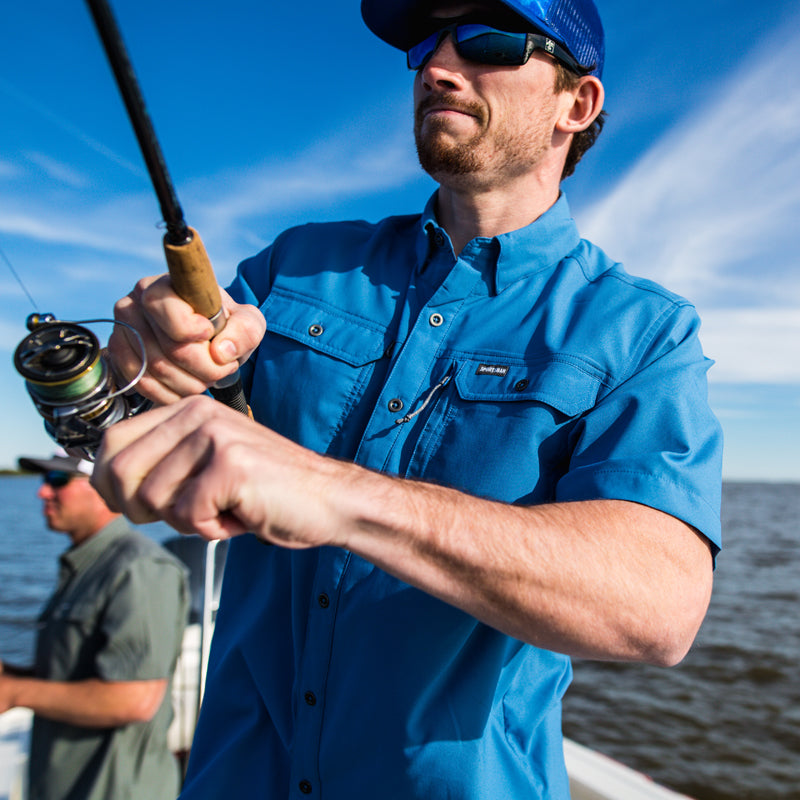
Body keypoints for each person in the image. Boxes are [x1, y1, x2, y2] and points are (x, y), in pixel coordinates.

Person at [92, 0, 723, 797]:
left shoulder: (643, 331)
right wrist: (142, 367)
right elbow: (148, 433)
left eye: (489, 39)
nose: (437, 66)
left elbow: (658, 606)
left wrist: (335, 494)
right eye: (427, 43)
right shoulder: (295, 264)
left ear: (579, 104)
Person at [0, 450, 189, 800]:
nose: (42, 492)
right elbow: (71, 675)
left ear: (106, 488)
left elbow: (135, 698)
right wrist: (11, 674)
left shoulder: (141, 569)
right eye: (45, 480)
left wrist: (13, 692)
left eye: (58, 480)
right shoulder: (85, 566)